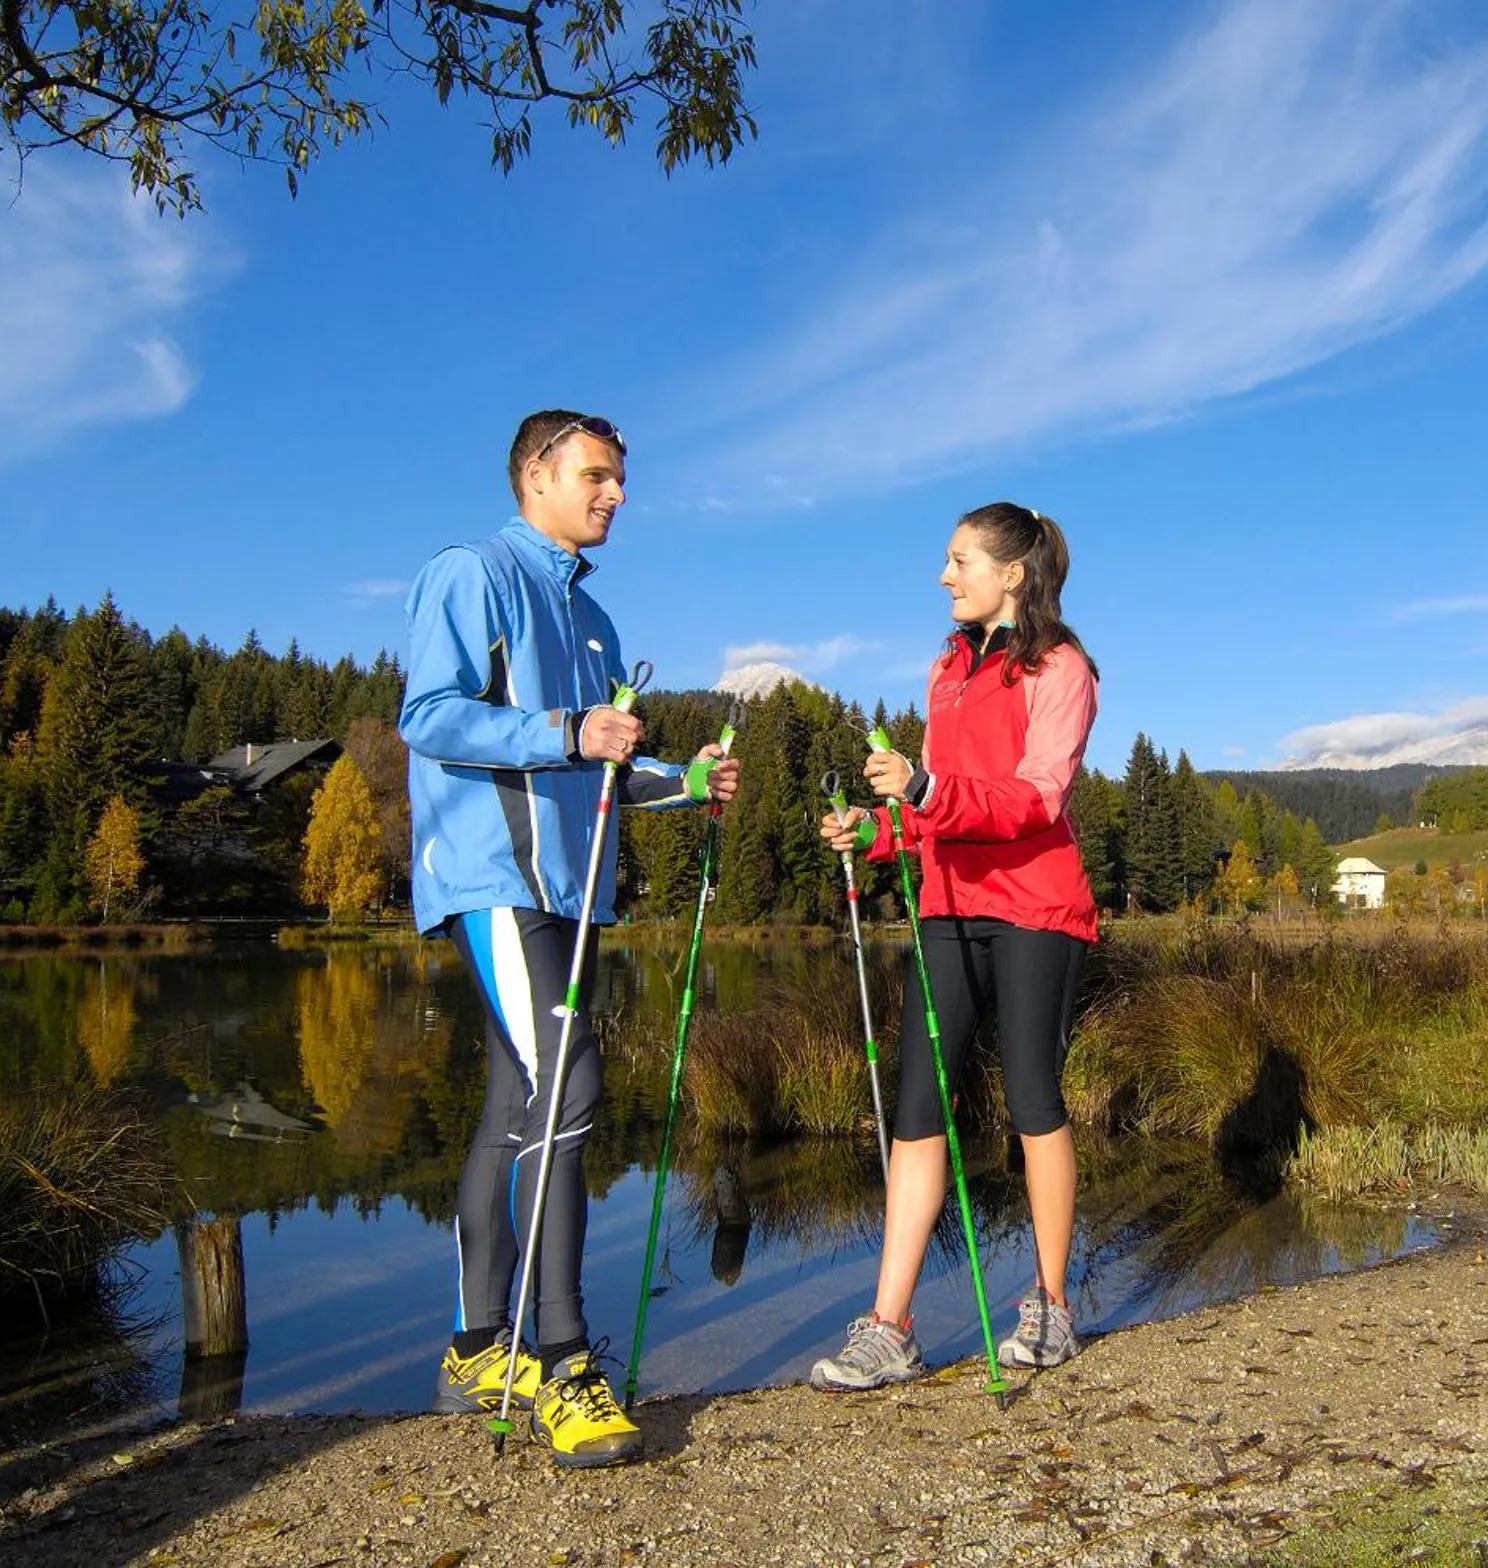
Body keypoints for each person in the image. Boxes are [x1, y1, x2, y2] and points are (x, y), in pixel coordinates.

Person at [399, 410, 739, 1467]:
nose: (616, 494)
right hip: (492, 877)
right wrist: (566, 729)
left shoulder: (591, 618)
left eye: (620, 479)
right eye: (597, 474)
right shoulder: (473, 571)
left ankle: (473, 1352)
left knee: (518, 1106)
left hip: (572, 890)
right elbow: (429, 715)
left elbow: (600, 766)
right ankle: (561, 1360)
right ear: (536, 475)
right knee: (569, 1086)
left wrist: (685, 781)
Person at [809, 501, 1099, 1391]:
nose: (944, 576)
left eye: (960, 560)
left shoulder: (1061, 666)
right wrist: (877, 831)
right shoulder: (946, 670)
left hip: (1036, 907)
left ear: (1012, 573)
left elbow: (1038, 798)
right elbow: (932, 811)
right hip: (947, 905)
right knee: (917, 1108)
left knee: (1033, 1097)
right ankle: (890, 1326)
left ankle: (1051, 1306)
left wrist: (926, 787)